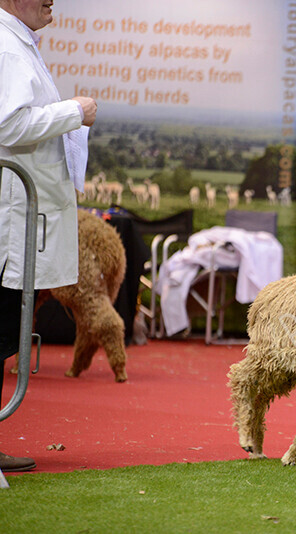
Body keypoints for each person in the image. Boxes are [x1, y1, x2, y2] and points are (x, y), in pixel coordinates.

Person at [0, 0, 96, 472]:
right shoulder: (6, 45)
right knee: (0, 329)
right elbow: (10, 124)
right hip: (13, 219)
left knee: (4, 332)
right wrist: (73, 111)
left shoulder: (19, 43)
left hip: (23, 215)